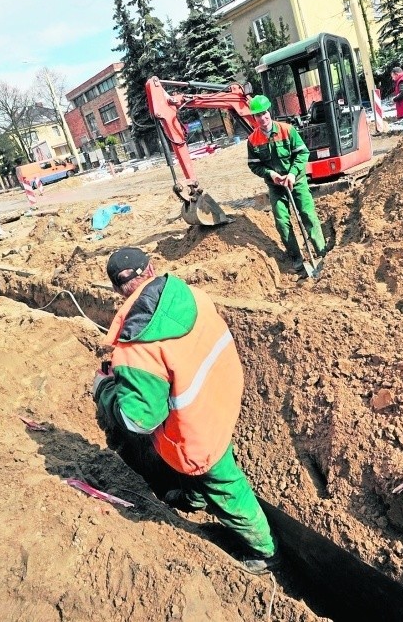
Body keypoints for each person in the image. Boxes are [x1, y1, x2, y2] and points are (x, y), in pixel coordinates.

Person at [92, 246, 280, 575]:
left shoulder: (138, 350)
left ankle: (265, 552)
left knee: (226, 486)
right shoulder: (192, 296)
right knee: (199, 474)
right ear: (151, 269)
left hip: (197, 434)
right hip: (220, 398)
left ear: (116, 289)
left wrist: (106, 390)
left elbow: (138, 421)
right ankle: (194, 497)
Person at [246, 94, 326, 274]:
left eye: (265, 113)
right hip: (276, 186)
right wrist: (271, 174)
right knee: (282, 221)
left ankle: (321, 250)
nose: (263, 118)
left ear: (270, 112)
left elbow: (302, 153)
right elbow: (254, 164)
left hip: (296, 181)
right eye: (258, 115)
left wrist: (291, 173)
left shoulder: (287, 130)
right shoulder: (253, 140)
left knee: (307, 213)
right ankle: (296, 257)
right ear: (254, 117)